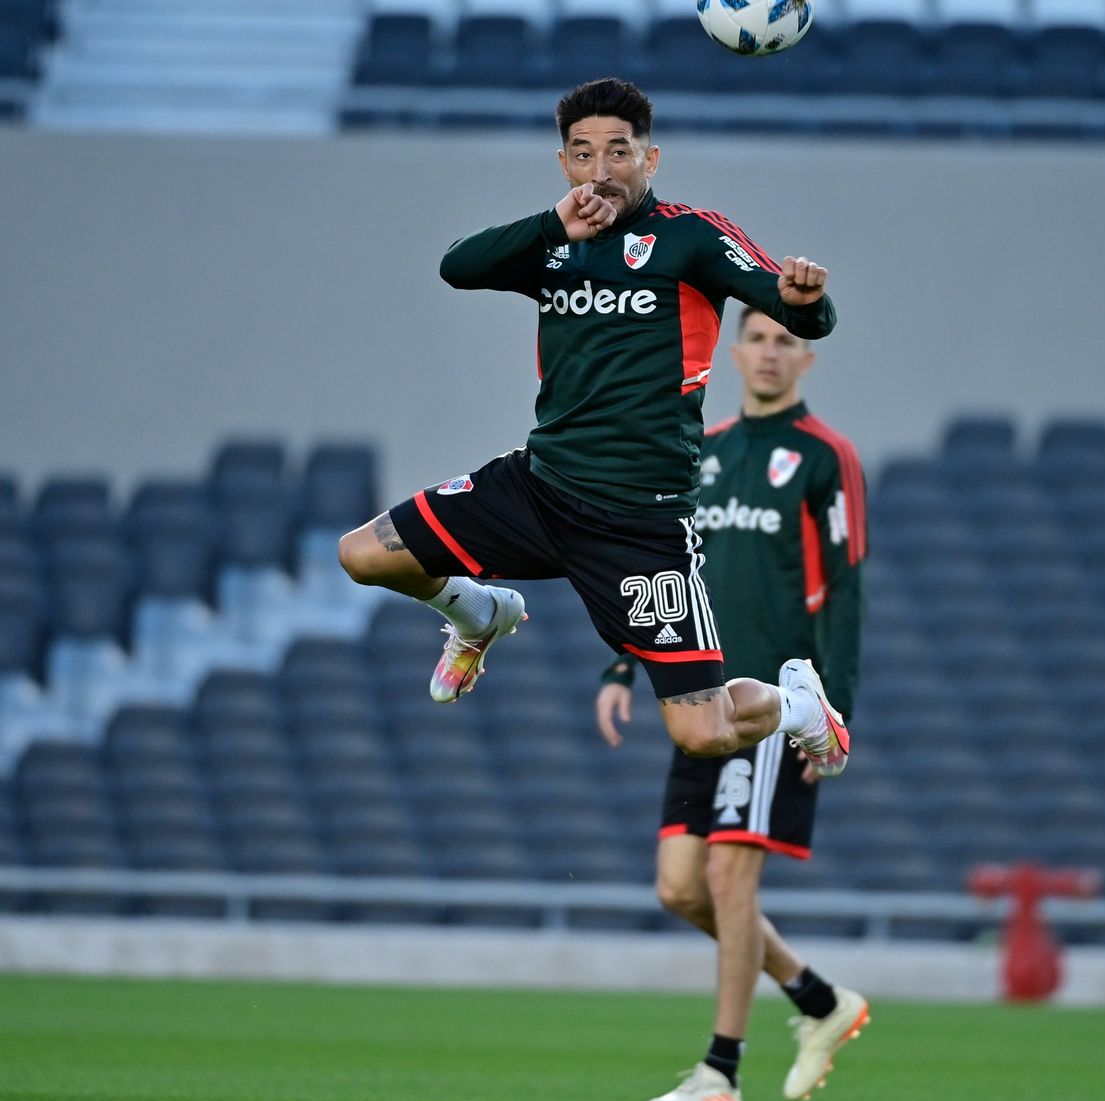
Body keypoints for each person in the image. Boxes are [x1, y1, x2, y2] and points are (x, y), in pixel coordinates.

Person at [338, 77, 848, 774]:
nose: (600, 172)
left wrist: (807, 303)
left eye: (619, 152)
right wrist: (553, 226)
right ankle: (478, 614)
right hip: (539, 488)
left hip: (641, 523)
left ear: (652, 159)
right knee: (363, 555)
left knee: (702, 732)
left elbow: (793, 304)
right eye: (582, 154)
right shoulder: (555, 243)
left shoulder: (689, 237)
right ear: (563, 164)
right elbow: (456, 265)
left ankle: (799, 708)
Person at [595, 306, 869, 1101]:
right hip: (702, 697)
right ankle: (819, 1000)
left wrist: (833, 712)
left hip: (780, 706)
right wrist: (622, 662)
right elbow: (663, 568)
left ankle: (720, 1073)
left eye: (787, 341)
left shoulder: (827, 457)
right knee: (680, 889)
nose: (770, 352)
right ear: (735, 350)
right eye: (757, 337)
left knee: (727, 874)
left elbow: (846, 587)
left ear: (806, 360)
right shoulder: (701, 451)